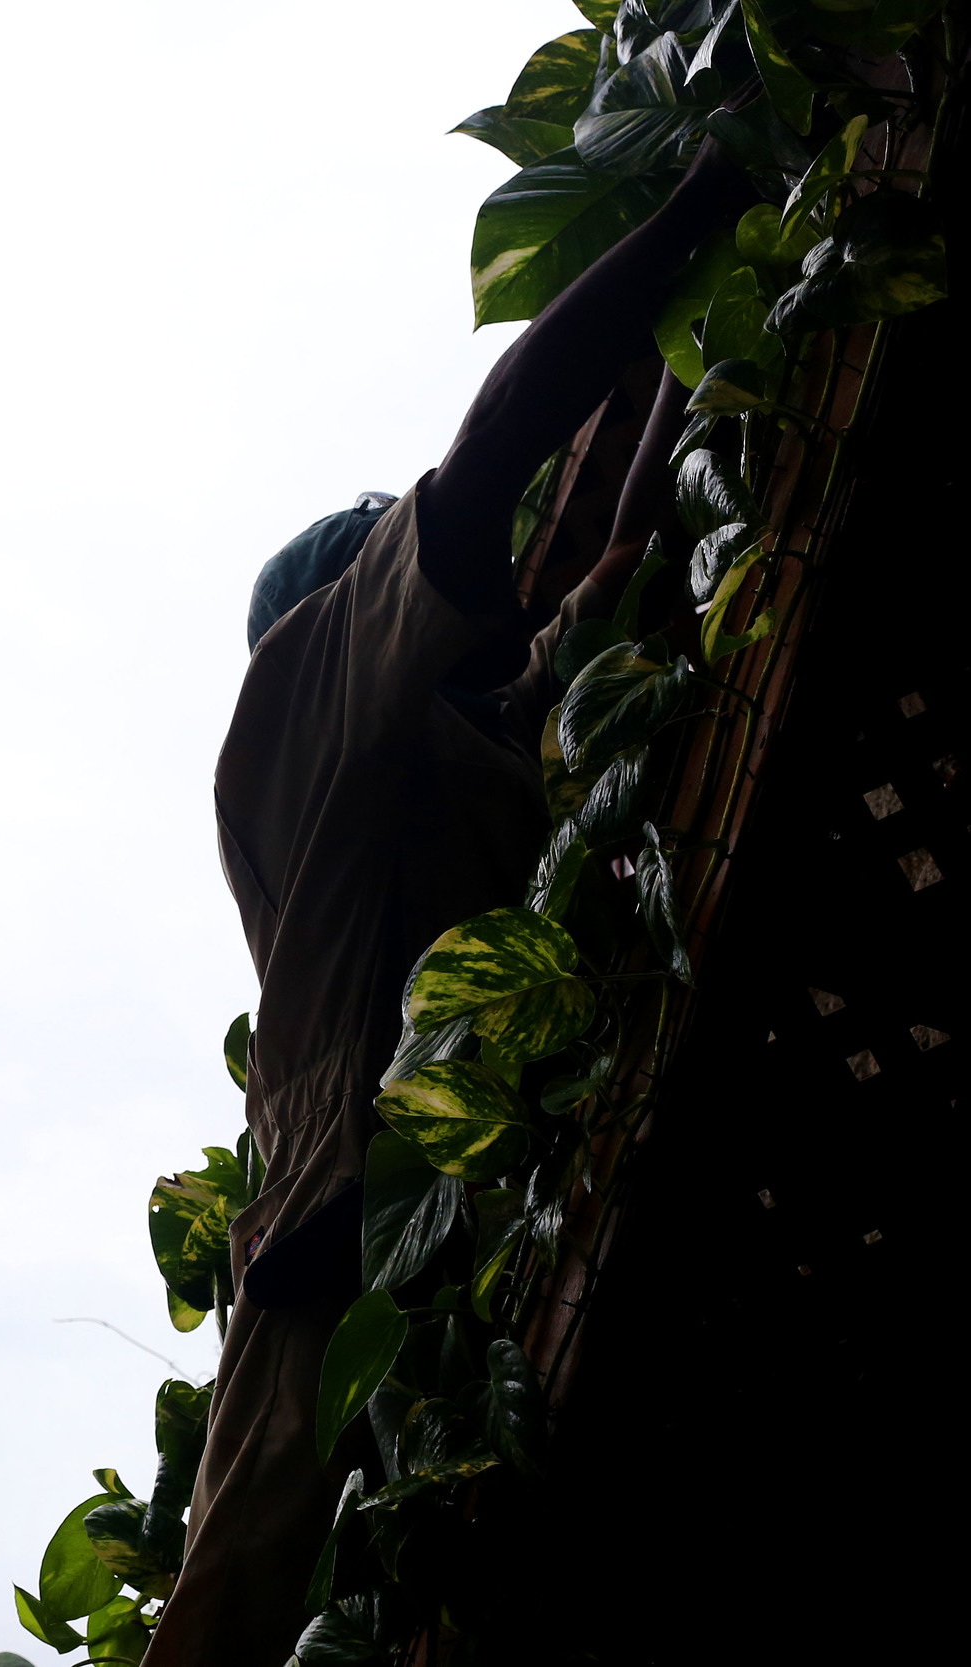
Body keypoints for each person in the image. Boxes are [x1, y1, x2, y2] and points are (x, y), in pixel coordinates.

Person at [148, 137, 755, 1667]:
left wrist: (703, 335)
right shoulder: (302, 711)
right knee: (247, 1625)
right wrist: (700, 200)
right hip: (333, 1288)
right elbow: (494, 471)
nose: (502, 599)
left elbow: (609, 551)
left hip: (457, 1263)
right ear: (362, 616)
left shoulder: (445, 770)